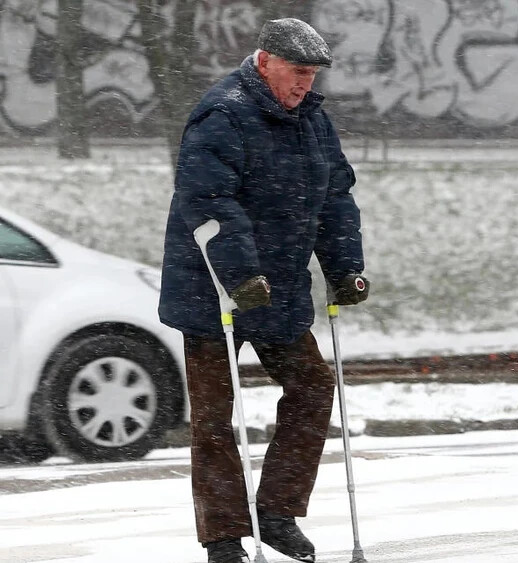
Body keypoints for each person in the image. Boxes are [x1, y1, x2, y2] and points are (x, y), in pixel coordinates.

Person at [158, 18, 370, 563]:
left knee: (313, 389)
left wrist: (345, 267)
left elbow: (335, 197)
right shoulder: (222, 113)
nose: (305, 84)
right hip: (214, 291)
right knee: (213, 420)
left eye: (312, 74)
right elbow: (208, 202)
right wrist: (239, 275)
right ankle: (224, 538)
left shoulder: (312, 121)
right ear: (264, 60)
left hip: (280, 290)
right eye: (298, 72)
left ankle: (275, 511)